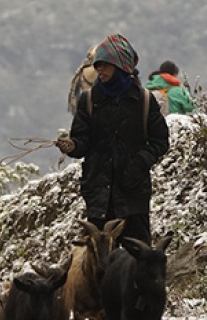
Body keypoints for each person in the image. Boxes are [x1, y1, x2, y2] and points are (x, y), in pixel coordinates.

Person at [55, 34, 170, 245]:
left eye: (106, 65)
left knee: (137, 257)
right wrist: (72, 146)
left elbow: (160, 141)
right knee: (100, 263)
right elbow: (82, 141)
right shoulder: (89, 100)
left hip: (133, 195)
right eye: (98, 66)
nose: (100, 70)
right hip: (99, 196)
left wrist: (138, 164)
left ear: (121, 66)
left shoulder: (143, 101)